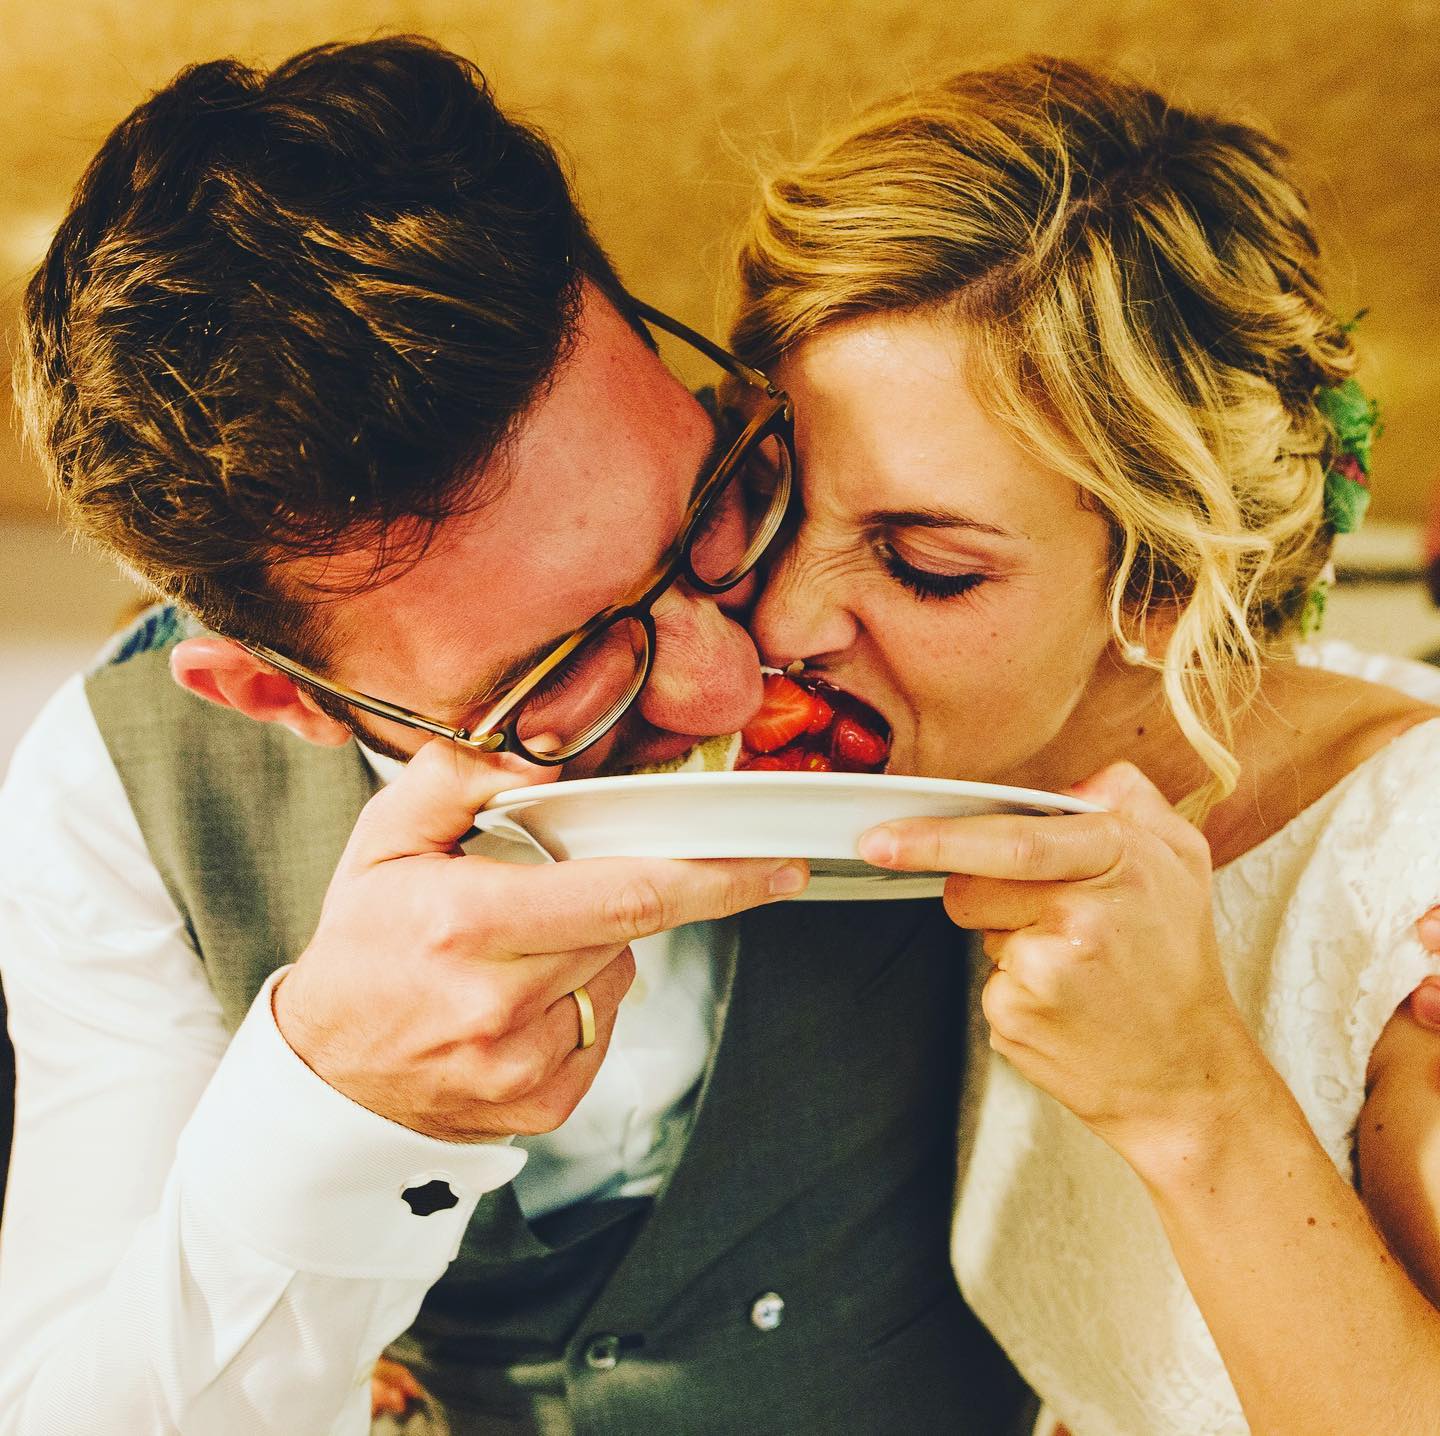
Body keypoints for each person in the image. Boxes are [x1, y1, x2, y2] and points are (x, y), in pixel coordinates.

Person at [0, 37, 1030, 1436]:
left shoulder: (872, 552)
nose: (730, 685)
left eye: (712, 509)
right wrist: (334, 1106)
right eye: (561, 665)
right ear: (282, 698)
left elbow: (1183, 668)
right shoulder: (109, 799)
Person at [726, 55, 1440, 1435]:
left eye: (926, 563)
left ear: (1165, 582)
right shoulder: (1009, 783)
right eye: (765, 496)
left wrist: (1195, 1099)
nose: (783, 614)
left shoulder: (1410, 904)